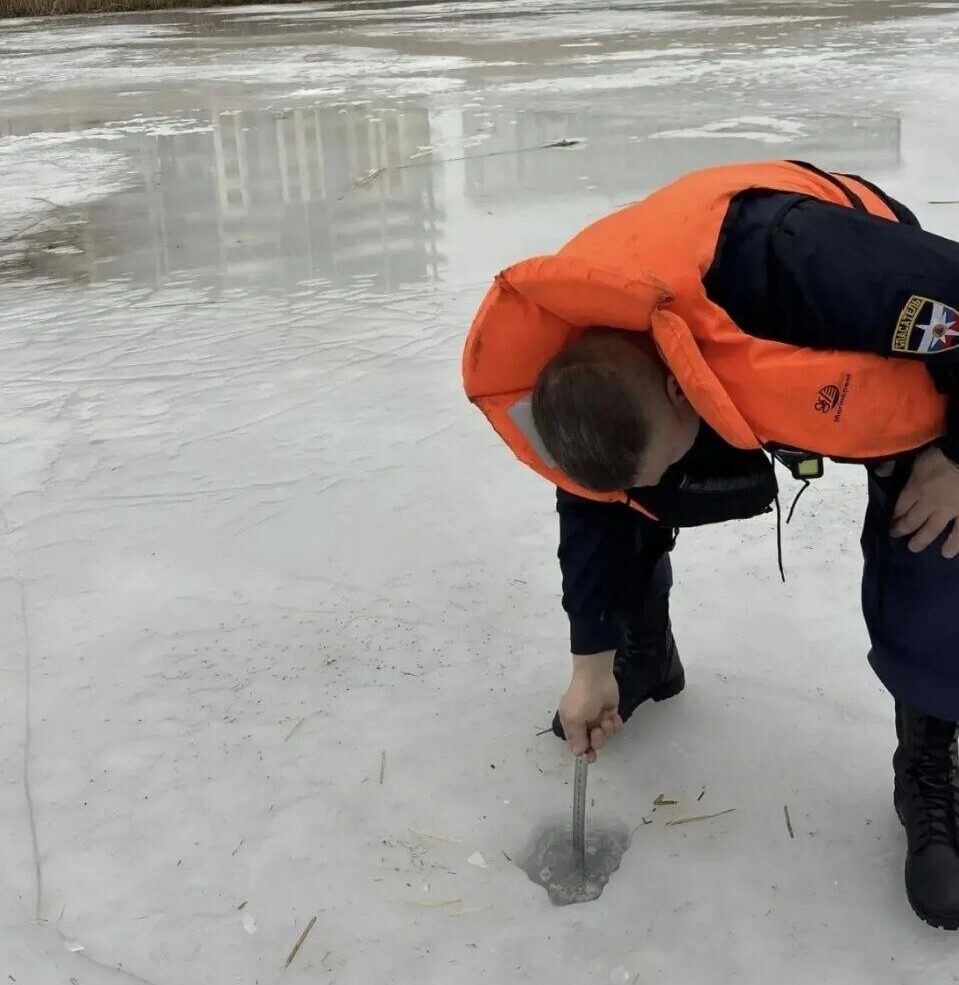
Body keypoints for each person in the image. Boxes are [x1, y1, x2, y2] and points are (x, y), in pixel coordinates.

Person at [462, 160, 959, 930]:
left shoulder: (802, 264)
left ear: (674, 389)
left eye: (660, 459)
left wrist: (955, 454)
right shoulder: (585, 370)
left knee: (936, 520)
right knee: (631, 485)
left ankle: (932, 744)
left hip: (876, 337)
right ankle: (646, 654)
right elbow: (597, 504)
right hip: (706, 356)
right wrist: (591, 657)